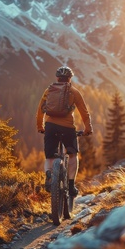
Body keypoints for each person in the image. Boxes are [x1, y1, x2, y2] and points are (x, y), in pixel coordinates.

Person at [36, 66, 93, 196]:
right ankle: (71, 185)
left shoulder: (49, 90)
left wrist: (40, 126)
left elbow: (40, 110)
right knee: (72, 154)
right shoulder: (74, 91)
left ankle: (49, 175)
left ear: (57, 78)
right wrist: (87, 129)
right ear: (70, 78)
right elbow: (84, 113)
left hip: (50, 126)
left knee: (50, 156)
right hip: (67, 128)